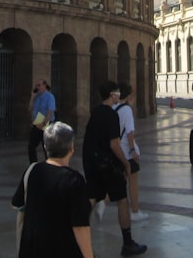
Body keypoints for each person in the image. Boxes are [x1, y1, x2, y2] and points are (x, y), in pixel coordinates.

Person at [82, 80, 146, 256]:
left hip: (91, 162)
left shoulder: (95, 112)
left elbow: (89, 140)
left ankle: (75, 235)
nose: (119, 95)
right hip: (107, 164)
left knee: (93, 197)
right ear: (112, 95)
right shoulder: (110, 115)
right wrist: (126, 163)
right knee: (122, 200)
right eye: (117, 93)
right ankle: (127, 243)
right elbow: (114, 145)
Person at [12, 122, 95, 258]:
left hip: (32, 251)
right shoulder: (74, 180)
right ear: (72, 148)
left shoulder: (32, 171)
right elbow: (80, 226)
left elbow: (16, 204)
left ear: (45, 147)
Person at [115, 82, 147, 222]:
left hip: (117, 150)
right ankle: (135, 211)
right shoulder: (127, 110)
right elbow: (130, 132)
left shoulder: (113, 108)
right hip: (127, 151)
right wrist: (133, 149)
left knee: (121, 179)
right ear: (128, 97)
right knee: (133, 181)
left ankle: (102, 204)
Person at [28, 78, 56, 164]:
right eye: (36, 85)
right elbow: (29, 109)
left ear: (44, 86)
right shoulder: (36, 97)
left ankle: (49, 164)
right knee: (31, 146)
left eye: (39, 85)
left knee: (46, 147)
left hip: (45, 122)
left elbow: (50, 111)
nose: (37, 87)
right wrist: (32, 97)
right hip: (37, 123)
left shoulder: (49, 97)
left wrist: (44, 123)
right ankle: (33, 164)